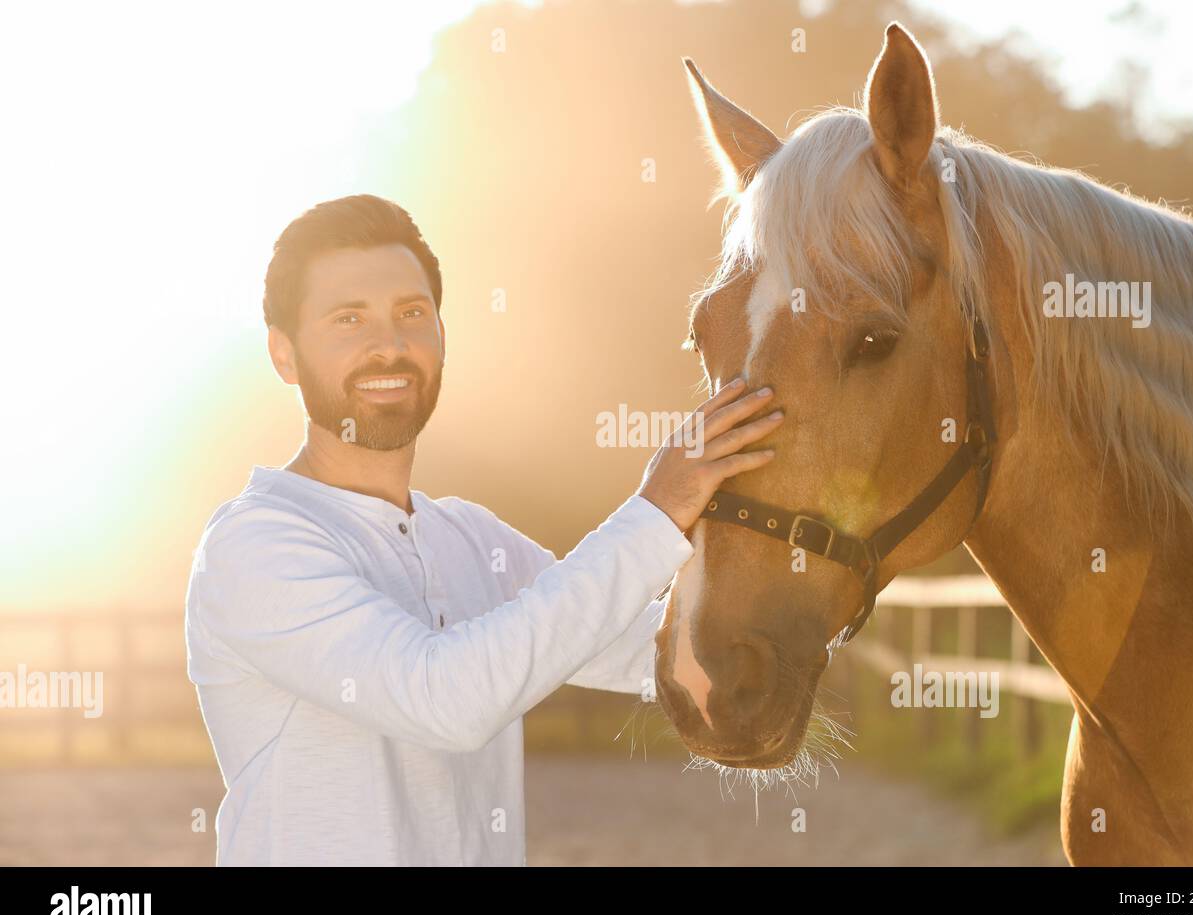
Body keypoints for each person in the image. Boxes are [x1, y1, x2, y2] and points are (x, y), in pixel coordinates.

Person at [183, 194, 783, 865]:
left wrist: (824, 561)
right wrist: (660, 506)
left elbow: (648, 648)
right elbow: (447, 700)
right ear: (284, 356)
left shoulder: (470, 538)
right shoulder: (253, 545)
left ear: (441, 333)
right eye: (348, 319)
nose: (390, 344)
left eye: (411, 313)